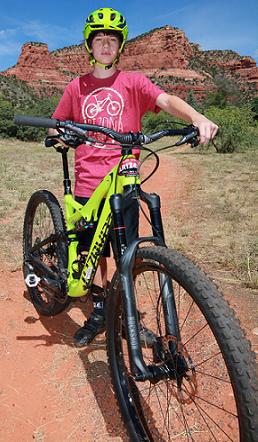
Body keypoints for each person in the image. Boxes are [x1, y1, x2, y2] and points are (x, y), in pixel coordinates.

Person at [50, 7, 218, 347]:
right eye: (99, 40)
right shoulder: (76, 87)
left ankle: (126, 316)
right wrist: (60, 135)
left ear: (120, 46)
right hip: (88, 182)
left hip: (124, 179)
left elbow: (166, 99)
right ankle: (100, 310)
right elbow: (58, 122)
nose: (106, 46)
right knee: (91, 255)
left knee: (126, 250)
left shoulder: (133, 82)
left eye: (112, 40)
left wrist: (197, 116)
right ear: (89, 46)